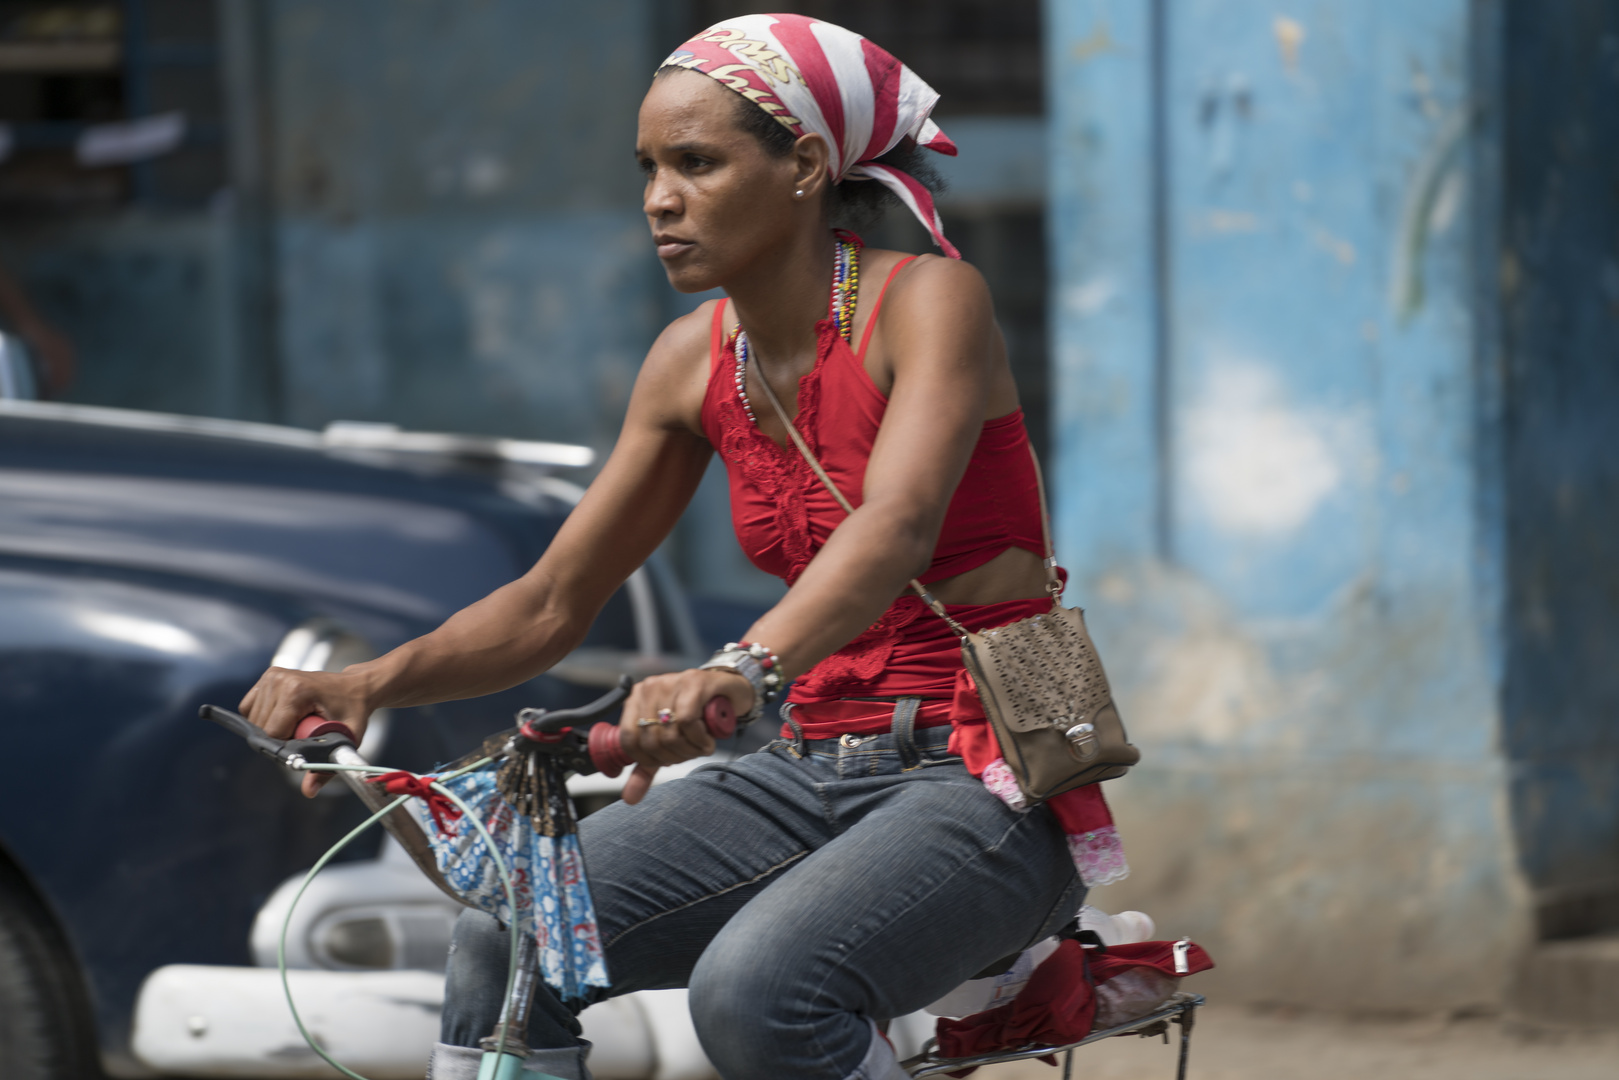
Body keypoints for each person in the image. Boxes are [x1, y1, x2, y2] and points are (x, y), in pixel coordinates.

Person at [240, 14, 1126, 1080]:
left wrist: (731, 668)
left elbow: (895, 526)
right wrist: (368, 681)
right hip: (802, 763)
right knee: (508, 926)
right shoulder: (687, 363)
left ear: (802, 166)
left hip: (981, 777)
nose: (660, 198)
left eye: (696, 163)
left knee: (758, 994)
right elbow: (552, 600)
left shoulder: (928, 299)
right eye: (649, 168)